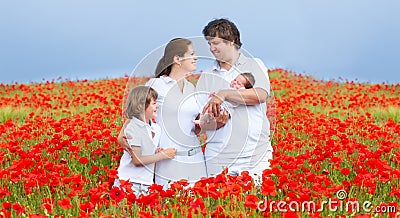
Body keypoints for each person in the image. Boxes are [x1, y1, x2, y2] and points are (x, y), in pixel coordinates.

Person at [119, 38, 207, 189]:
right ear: (177, 59)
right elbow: (136, 114)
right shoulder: (156, 85)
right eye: (191, 54)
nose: (196, 57)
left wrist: (206, 122)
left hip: (195, 158)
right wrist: (122, 135)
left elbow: (194, 126)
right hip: (168, 160)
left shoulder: (191, 88)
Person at [195, 18, 273, 183]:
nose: (211, 48)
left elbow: (260, 95)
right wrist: (214, 122)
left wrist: (224, 94)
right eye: (209, 43)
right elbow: (200, 121)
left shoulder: (253, 65)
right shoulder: (206, 77)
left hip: (254, 154)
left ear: (231, 41)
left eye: (215, 43)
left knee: (257, 203)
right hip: (218, 156)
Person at [114, 86, 177, 196]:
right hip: (128, 182)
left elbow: (146, 151)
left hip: (146, 183)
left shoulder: (156, 128)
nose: (157, 105)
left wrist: (156, 151)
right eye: (153, 103)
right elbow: (137, 160)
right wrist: (163, 155)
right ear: (142, 106)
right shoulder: (133, 127)